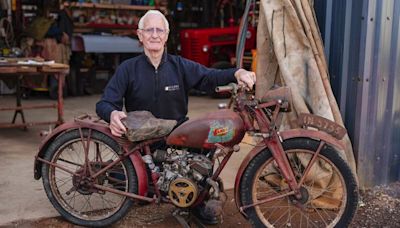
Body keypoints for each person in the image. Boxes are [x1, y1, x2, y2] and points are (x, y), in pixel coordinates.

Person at [96, 10, 256, 225]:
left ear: (166, 34)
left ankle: (196, 203)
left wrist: (237, 73)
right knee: (133, 183)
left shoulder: (179, 65)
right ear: (140, 35)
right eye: (149, 30)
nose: (154, 35)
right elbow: (105, 103)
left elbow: (210, 77)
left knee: (205, 150)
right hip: (143, 140)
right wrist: (112, 113)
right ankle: (139, 183)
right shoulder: (128, 69)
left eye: (159, 30)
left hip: (178, 136)